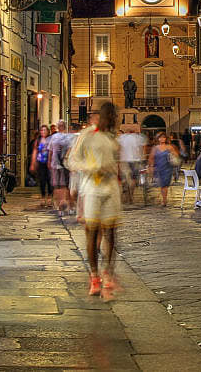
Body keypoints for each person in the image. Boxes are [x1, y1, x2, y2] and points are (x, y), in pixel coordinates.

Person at [67, 102, 123, 300]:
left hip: (111, 189)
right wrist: (90, 168)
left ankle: (108, 271)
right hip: (92, 188)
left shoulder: (113, 137)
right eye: (111, 116)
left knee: (111, 232)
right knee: (92, 232)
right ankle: (94, 275)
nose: (114, 119)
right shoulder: (88, 135)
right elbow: (71, 160)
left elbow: (116, 161)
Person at [147, 131, 180, 208]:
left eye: (164, 137)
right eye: (160, 137)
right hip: (158, 168)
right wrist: (151, 166)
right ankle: (164, 199)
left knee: (164, 185)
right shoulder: (155, 148)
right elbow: (151, 158)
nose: (162, 139)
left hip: (167, 168)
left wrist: (173, 156)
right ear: (158, 139)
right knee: (162, 185)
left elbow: (176, 155)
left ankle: (164, 200)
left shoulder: (169, 147)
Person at [48, 120, 73, 215]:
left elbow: (51, 151)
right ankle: (62, 206)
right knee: (61, 186)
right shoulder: (58, 137)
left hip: (62, 164)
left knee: (62, 186)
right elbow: (51, 151)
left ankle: (63, 206)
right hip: (59, 164)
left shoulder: (60, 137)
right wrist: (49, 162)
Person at [117, 127, 146, 204]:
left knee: (125, 178)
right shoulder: (138, 137)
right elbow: (143, 148)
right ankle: (131, 196)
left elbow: (118, 148)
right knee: (133, 179)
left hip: (124, 160)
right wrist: (142, 157)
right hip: (135, 160)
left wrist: (118, 158)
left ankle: (127, 193)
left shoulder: (122, 137)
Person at [30, 125, 53, 207]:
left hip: (50, 163)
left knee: (50, 180)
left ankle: (50, 197)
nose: (43, 132)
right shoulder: (38, 140)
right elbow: (35, 151)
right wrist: (33, 163)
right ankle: (43, 197)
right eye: (42, 130)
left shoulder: (51, 139)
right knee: (42, 180)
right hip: (41, 162)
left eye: (45, 130)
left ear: (48, 131)